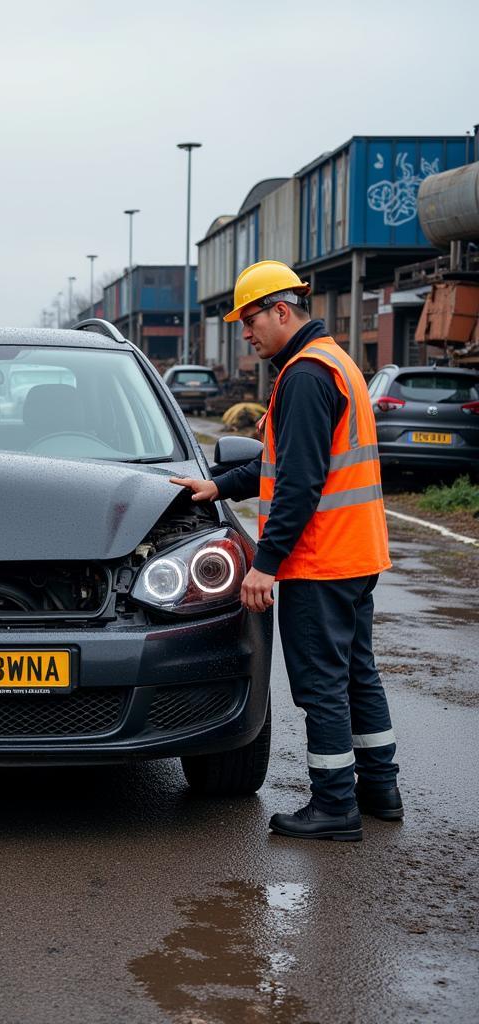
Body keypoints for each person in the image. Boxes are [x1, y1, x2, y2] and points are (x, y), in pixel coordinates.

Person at [170, 260, 400, 843]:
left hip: (320, 560)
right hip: (356, 553)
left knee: (321, 681)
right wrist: (220, 485)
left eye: (249, 321)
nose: (245, 334)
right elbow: (278, 466)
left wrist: (265, 565)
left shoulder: (303, 375)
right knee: (356, 676)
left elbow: (299, 483)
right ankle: (379, 791)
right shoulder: (334, 363)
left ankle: (333, 808)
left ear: (280, 310)